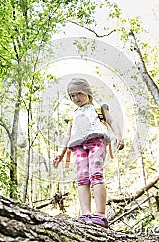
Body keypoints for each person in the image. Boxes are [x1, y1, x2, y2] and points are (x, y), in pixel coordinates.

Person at [53, 78, 124, 228]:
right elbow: (68, 135)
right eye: (72, 96)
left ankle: (100, 214)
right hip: (78, 147)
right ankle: (86, 213)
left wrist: (118, 136)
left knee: (96, 174)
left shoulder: (99, 108)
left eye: (79, 93)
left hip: (96, 141)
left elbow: (112, 122)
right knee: (82, 178)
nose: (75, 98)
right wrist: (61, 153)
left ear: (87, 92)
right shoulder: (73, 115)